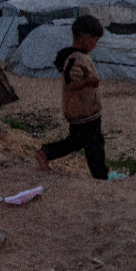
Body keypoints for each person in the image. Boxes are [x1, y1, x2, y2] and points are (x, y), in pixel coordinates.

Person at [34, 15, 109, 179]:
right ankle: (45, 152)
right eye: (94, 40)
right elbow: (70, 84)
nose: (95, 45)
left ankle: (100, 174)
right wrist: (88, 83)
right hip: (82, 114)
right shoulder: (75, 59)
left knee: (94, 143)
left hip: (89, 113)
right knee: (79, 141)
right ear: (84, 38)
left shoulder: (80, 57)